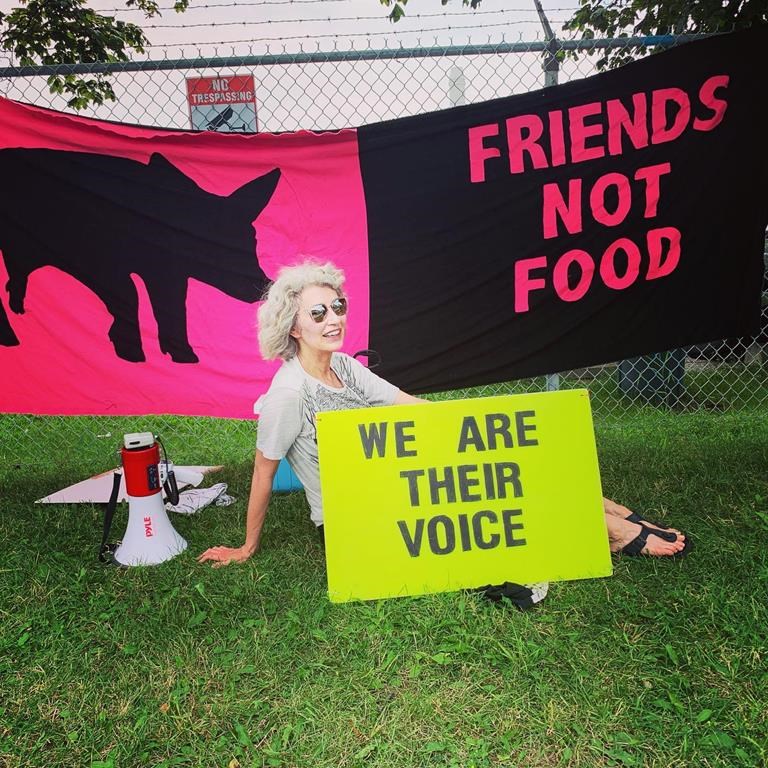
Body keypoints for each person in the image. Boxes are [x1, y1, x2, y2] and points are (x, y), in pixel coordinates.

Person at [198, 261, 690, 574]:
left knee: (502, 462)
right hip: (357, 518)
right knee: (491, 487)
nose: (334, 319)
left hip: (398, 480)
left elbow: (411, 406)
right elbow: (264, 471)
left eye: (338, 307)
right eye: (319, 312)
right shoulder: (288, 393)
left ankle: (599, 508)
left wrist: (479, 430)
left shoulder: (345, 365)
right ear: (293, 326)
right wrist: (246, 547)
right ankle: (610, 526)